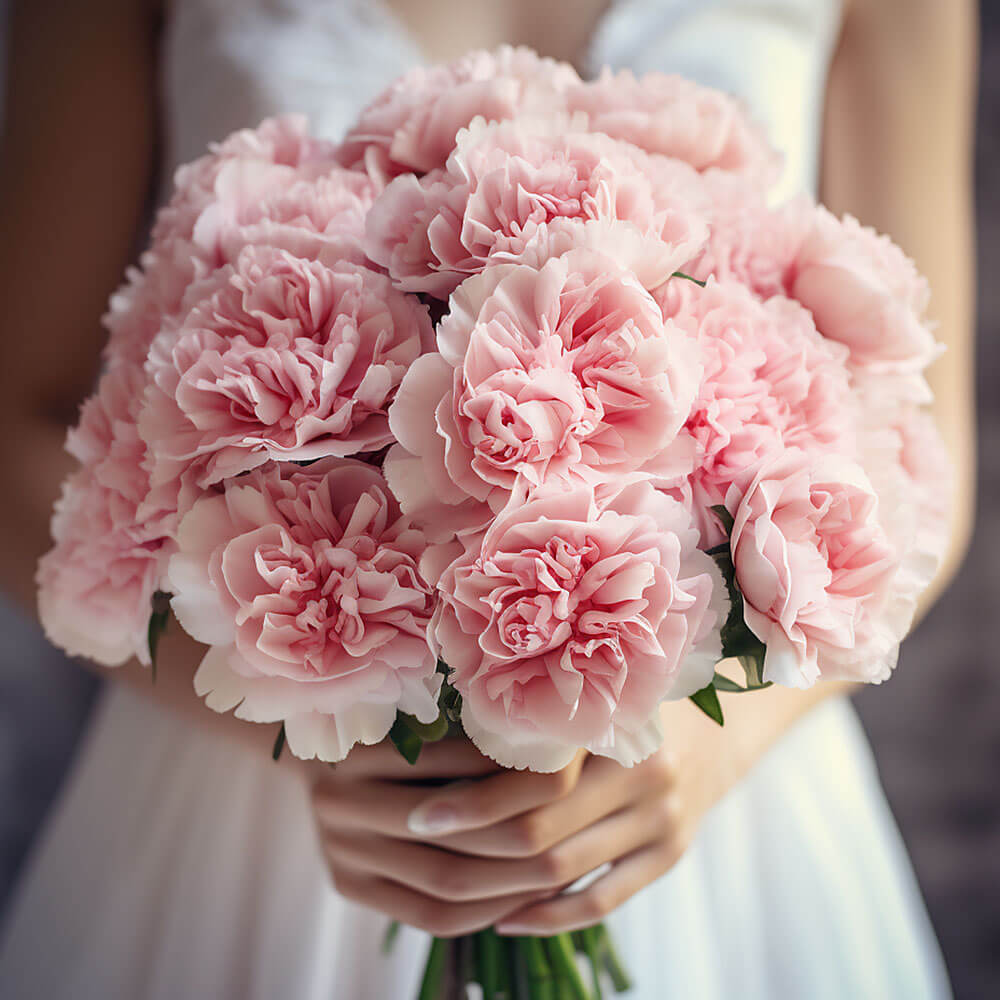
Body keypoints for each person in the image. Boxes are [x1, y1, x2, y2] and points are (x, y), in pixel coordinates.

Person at [0, 0, 977, 996]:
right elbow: (17, 434)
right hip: (255, 794)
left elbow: (921, 465)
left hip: (707, 805)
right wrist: (309, 731)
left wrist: (699, 748)